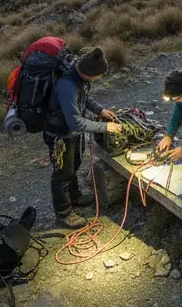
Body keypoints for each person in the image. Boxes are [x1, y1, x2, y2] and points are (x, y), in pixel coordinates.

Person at [43, 46, 123, 226]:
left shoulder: (77, 75)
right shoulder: (66, 85)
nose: (99, 79)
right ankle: (64, 213)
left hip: (70, 133)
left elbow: (83, 97)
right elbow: (75, 123)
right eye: (98, 77)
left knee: (75, 164)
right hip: (59, 134)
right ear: (88, 73)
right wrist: (106, 127)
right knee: (62, 173)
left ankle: (75, 196)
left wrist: (100, 110)